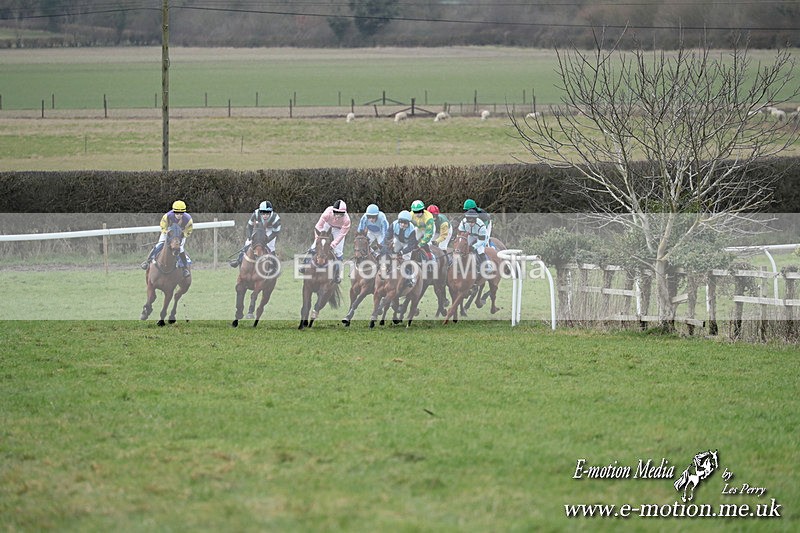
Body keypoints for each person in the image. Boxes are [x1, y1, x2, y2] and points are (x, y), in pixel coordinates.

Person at [141, 200, 194, 277]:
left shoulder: (188, 219)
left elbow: (189, 230)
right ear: (173, 211)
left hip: (180, 235)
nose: (179, 215)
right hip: (168, 234)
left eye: (181, 213)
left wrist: (183, 235)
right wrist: (166, 232)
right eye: (177, 213)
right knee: (159, 244)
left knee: (181, 248)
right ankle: (147, 261)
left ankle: (185, 268)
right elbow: (163, 226)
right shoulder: (167, 216)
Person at [229, 200, 282, 267]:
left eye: (267, 213)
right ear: (260, 212)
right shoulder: (255, 214)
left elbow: (275, 232)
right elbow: (249, 226)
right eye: (263, 213)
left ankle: (274, 265)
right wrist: (250, 237)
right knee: (247, 243)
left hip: (270, 230)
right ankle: (238, 260)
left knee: (270, 246)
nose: (265, 215)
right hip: (259, 228)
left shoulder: (275, 218)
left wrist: (267, 240)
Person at [309, 199, 351, 283]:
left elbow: (342, 234)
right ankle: (304, 265)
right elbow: (318, 226)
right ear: (333, 210)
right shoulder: (327, 213)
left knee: (338, 252)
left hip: (339, 229)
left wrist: (333, 244)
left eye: (341, 214)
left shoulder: (347, 220)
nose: (338, 216)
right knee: (314, 246)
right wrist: (318, 239)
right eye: (336, 213)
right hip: (327, 225)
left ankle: (337, 274)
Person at [385, 210, 419, 286]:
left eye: (405, 223)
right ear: (399, 221)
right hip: (398, 240)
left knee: (406, 259)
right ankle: (386, 269)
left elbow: (410, 246)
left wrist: (402, 252)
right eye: (401, 222)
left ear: (409, 223)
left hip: (407, 244)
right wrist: (387, 243)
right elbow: (387, 235)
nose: (403, 225)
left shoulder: (412, 230)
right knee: (392, 253)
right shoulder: (394, 224)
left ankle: (409, 278)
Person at [458, 208, 494, 275]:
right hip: (470, 235)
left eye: (472, 222)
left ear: (475, 219)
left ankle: (487, 266)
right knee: (462, 247)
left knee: (480, 250)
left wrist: (474, 246)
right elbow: (460, 233)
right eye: (469, 221)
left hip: (481, 237)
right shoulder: (463, 222)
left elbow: (481, 241)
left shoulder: (481, 226)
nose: (471, 224)